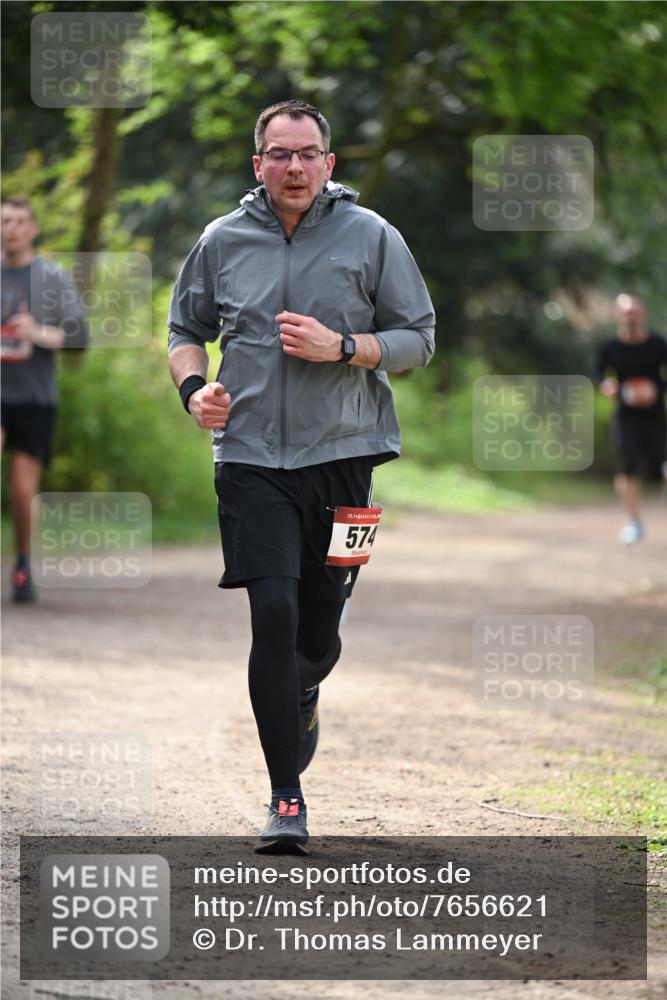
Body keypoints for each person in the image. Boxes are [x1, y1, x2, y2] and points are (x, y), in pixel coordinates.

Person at [168, 100, 435, 852]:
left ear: (328, 163)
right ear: (258, 163)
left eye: (306, 153)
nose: (292, 166)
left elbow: (418, 339)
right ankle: (286, 799)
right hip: (250, 460)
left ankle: (307, 686)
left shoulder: (373, 236)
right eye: (278, 154)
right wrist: (195, 392)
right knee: (274, 614)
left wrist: (343, 346)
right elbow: (184, 331)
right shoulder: (221, 240)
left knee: (318, 629)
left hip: (348, 458)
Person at [1, 197, 88, 601]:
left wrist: (38, 332)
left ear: (33, 228)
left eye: (19, 221)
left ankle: (22, 564)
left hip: (35, 398)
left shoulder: (50, 279)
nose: (11, 228)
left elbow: (78, 338)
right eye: (4, 221)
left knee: (22, 489)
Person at [597, 293, 667, 545]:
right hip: (625, 415)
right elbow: (599, 374)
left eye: (635, 311)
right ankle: (633, 522)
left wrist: (655, 390)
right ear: (618, 315)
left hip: (655, 413)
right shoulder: (610, 346)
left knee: (661, 463)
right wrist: (607, 386)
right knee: (627, 466)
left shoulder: (658, 345)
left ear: (643, 314)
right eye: (626, 312)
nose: (631, 316)